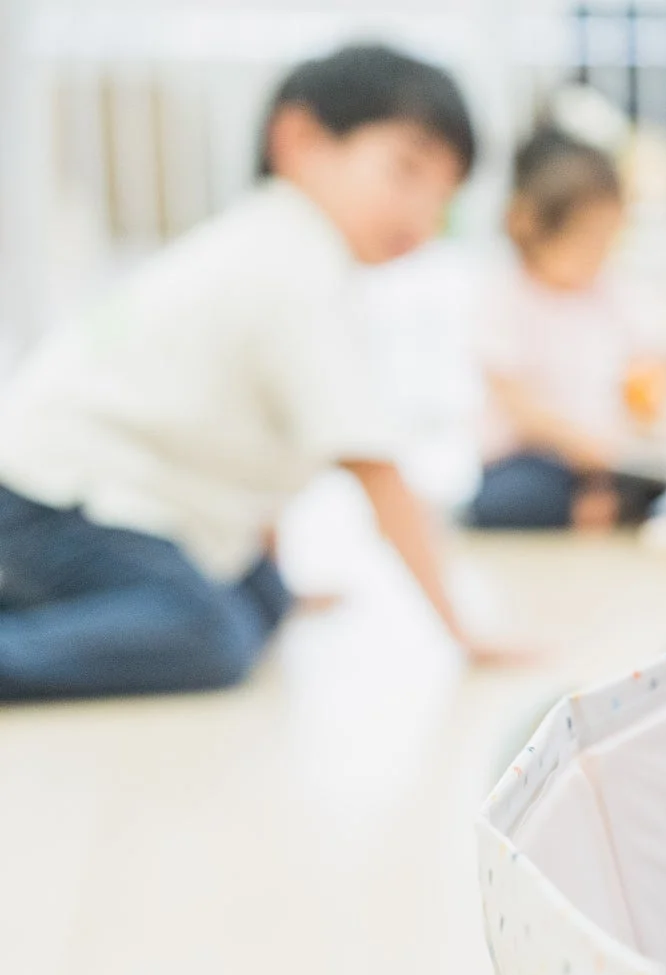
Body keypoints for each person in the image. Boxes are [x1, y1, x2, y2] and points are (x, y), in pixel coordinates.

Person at [0, 44, 503, 701]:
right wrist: (461, 630)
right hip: (52, 502)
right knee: (207, 633)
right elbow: (375, 467)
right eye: (405, 171)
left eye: (443, 199)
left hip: (99, 505)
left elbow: (248, 447)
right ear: (297, 140)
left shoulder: (279, 246)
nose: (421, 217)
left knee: (263, 597)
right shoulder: (294, 267)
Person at [467, 122, 666, 531]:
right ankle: (596, 511)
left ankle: (601, 506)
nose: (596, 257)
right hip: (532, 455)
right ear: (530, 226)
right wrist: (578, 443)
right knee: (509, 498)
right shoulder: (507, 295)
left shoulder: (611, 292)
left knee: (664, 484)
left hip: (610, 457)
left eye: (606, 243)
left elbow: (649, 356)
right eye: (585, 243)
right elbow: (513, 398)